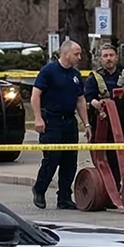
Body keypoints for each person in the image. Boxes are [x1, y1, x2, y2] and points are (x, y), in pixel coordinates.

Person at [30, 38, 91, 211]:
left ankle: (64, 197)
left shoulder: (75, 75)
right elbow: (35, 96)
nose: (79, 57)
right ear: (65, 54)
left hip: (69, 122)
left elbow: (80, 100)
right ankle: (39, 189)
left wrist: (86, 124)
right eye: (76, 54)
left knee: (69, 162)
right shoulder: (48, 71)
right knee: (52, 158)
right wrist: (38, 118)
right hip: (52, 121)